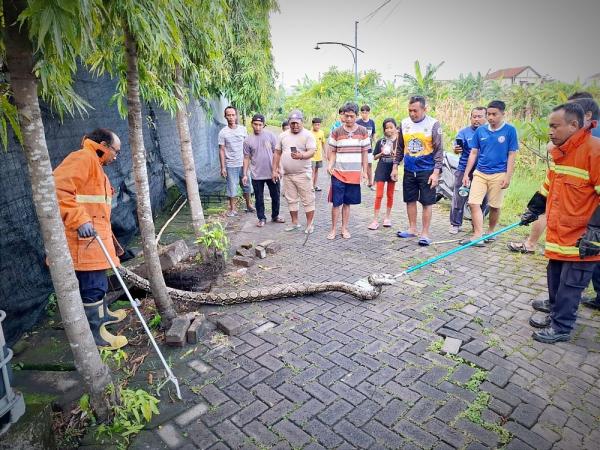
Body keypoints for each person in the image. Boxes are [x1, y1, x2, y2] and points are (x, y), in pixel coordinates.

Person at [509, 94, 600, 315]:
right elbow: (549, 184)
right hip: (560, 231)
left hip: (582, 236)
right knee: (555, 275)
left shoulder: (594, 151)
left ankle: (561, 326)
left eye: (554, 126)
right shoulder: (561, 152)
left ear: (574, 125)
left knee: (570, 285)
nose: (549, 131)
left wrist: (595, 231)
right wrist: (534, 208)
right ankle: (553, 307)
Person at [53, 128, 128, 350]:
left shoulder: (95, 165)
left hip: (95, 239)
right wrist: (79, 219)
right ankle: (97, 335)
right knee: (92, 285)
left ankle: (103, 316)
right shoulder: (83, 158)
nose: (116, 156)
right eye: (115, 150)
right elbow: (57, 188)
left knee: (99, 281)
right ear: (103, 145)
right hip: (83, 240)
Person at [461, 100, 518, 246]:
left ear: (502, 114)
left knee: (495, 206)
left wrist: (508, 176)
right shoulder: (481, 131)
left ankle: (491, 232)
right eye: (489, 114)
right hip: (480, 172)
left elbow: (512, 154)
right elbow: (473, 153)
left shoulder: (510, 131)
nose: (491, 117)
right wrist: (467, 173)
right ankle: (478, 235)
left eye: (494, 114)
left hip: (499, 174)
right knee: (473, 203)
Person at [390, 95, 443, 246]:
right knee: (410, 200)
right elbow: (400, 147)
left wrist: (436, 172)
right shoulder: (404, 123)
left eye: (416, 111)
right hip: (409, 169)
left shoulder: (433, 124)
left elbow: (439, 150)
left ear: (424, 109)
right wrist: (395, 166)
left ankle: (425, 234)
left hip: (427, 170)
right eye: (410, 110)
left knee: (427, 202)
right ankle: (412, 229)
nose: (412, 114)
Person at [327, 102, 370, 240]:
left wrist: (364, 171)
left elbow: (364, 153)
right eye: (347, 116)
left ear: (356, 116)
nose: (349, 119)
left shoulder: (363, 131)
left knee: (347, 203)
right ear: (343, 116)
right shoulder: (337, 131)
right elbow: (333, 151)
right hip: (338, 173)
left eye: (352, 116)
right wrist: (330, 165)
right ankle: (333, 229)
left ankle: (344, 229)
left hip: (353, 174)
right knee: (336, 203)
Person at [273, 110, 317, 233]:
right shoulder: (283, 135)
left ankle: (309, 225)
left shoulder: (308, 135)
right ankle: (294, 222)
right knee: (291, 199)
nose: (295, 126)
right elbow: (277, 153)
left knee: (308, 199)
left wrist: (302, 156)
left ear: (302, 122)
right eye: (292, 123)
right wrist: (275, 169)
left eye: (297, 123)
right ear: (289, 123)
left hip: (303, 174)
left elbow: (312, 151)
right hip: (287, 175)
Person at [242, 114, 285, 227]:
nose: (257, 127)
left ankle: (275, 216)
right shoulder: (247, 140)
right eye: (255, 124)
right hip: (256, 174)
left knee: (275, 195)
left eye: (260, 125)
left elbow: (277, 153)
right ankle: (261, 218)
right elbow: (246, 158)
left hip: (272, 172)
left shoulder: (271, 136)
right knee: (259, 198)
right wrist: (245, 174)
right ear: (252, 124)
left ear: (264, 125)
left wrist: (279, 168)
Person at [449, 107, 487, 234]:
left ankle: (476, 225)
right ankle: (455, 224)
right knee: (459, 197)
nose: (476, 119)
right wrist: (456, 149)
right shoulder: (464, 132)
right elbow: (456, 147)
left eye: (479, 116)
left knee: (482, 200)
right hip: (464, 169)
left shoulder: (489, 133)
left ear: (486, 118)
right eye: (474, 116)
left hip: (483, 171)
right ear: (470, 118)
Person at [218, 105, 254, 216]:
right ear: (225, 116)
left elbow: (247, 147)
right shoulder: (223, 132)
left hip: (243, 163)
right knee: (232, 187)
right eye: (228, 115)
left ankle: (248, 205)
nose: (231, 117)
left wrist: (250, 162)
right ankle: (232, 209)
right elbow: (222, 150)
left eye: (233, 115)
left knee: (247, 185)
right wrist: (223, 167)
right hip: (230, 164)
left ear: (236, 116)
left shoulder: (242, 129)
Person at [368, 118, 398, 230]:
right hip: (381, 168)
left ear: (395, 128)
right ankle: (375, 220)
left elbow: (401, 158)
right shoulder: (380, 141)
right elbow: (374, 157)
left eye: (391, 127)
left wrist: (394, 154)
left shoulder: (399, 143)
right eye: (387, 128)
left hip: (392, 170)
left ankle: (387, 218)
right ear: (384, 129)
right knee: (379, 195)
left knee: (390, 195)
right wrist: (381, 152)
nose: (389, 130)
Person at [356, 104, 377, 189]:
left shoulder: (371, 122)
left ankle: (370, 181)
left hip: (369, 147)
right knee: (360, 164)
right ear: (361, 113)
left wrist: (376, 141)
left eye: (366, 112)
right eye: (363, 112)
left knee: (369, 164)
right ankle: (359, 181)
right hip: (359, 147)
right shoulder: (358, 122)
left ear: (369, 113)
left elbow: (373, 134)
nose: (364, 114)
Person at [311, 117, 326, 192]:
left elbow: (323, 143)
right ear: (312, 125)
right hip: (311, 156)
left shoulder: (321, 132)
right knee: (312, 171)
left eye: (319, 125)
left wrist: (325, 153)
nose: (317, 126)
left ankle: (314, 185)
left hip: (318, 156)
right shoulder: (309, 133)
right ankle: (311, 186)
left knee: (316, 171)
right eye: (316, 125)